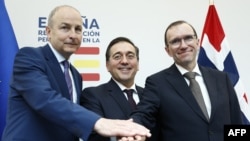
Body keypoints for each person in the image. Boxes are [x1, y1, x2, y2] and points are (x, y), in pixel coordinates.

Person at [1, 5, 151, 141]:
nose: (73, 35)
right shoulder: (29, 57)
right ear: (48, 32)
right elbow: (45, 99)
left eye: (78, 29)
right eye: (65, 28)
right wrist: (99, 122)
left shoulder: (75, 75)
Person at [130, 20, 243, 141]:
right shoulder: (157, 83)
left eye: (188, 38)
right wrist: (130, 128)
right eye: (175, 41)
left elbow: (236, 124)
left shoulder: (222, 78)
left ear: (197, 42)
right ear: (167, 50)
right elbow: (143, 114)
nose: (183, 45)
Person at [80, 36, 146, 141]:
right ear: (107, 65)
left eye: (130, 56)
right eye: (117, 57)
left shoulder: (149, 95)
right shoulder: (93, 95)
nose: (124, 61)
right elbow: (94, 136)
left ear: (137, 64)